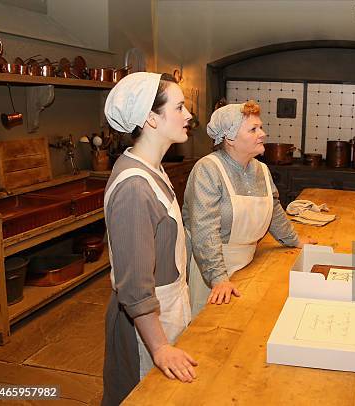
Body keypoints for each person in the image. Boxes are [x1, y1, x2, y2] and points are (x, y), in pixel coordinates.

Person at [102, 72, 197, 405]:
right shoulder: (134, 186)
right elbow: (134, 286)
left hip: (167, 309)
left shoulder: (152, 168)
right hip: (143, 328)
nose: (188, 115)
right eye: (180, 107)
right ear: (150, 118)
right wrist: (159, 348)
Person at [183, 100, 316, 315]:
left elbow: (273, 210)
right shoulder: (208, 169)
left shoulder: (261, 169)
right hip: (212, 268)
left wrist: (294, 240)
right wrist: (219, 279)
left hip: (249, 261)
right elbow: (203, 229)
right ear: (230, 138)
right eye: (253, 129)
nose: (262, 133)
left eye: (260, 127)